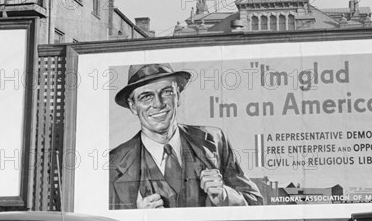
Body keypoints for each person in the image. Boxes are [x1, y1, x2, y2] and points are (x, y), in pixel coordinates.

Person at [109, 63, 263, 209]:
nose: (158, 103)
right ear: (133, 106)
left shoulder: (214, 140)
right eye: (146, 97)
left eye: (167, 92)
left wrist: (224, 195)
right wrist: (136, 217)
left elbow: (256, 203)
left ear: (178, 96)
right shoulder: (113, 162)